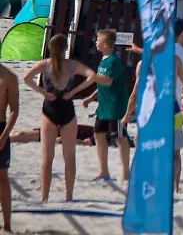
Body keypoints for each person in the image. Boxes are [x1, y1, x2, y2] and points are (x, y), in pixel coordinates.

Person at [22, 35, 97, 202]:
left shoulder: (45, 64)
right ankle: (69, 196)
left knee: (47, 157)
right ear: (65, 48)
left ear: (50, 47)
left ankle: (45, 197)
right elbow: (92, 76)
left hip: (49, 110)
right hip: (67, 112)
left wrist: (42, 92)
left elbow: (26, 78)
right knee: (69, 157)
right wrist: (74, 91)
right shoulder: (72, 65)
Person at [81, 29, 130, 182]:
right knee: (98, 134)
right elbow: (102, 83)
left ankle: (126, 173)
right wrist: (91, 97)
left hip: (116, 106)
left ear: (106, 44)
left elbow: (107, 80)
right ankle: (104, 172)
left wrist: (91, 76)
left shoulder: (114, 61)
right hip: (103, 106)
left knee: (119, 138)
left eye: (98, 40)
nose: (96, 42)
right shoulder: (104, 59)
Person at [0, 62, 18, 231]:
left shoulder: (8, 77)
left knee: (2, 176)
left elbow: (14, 109)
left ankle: (7, 224)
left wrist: (4, 135)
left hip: (0, 127)